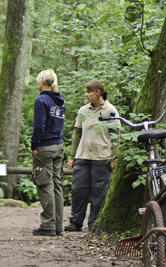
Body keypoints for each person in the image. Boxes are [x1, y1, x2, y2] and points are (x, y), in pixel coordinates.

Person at [65, 80, 120, 232]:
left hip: (102, 157)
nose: (86, 94)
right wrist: (72, 156)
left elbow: (115, 136)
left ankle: (94, 224)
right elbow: (77, 134)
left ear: (97, 92)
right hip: (83, 156)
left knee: (99, 193)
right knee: (78, 190)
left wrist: (114, 158)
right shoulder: (83, 110)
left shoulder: (110, 110)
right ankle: (75, 223)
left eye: (88, 91)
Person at [30, 69, 65, 236]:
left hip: (44, 147)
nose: (37, 84)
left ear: (43, 81)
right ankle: (59, 226)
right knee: (57, 185)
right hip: (58, 147)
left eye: (38, 81)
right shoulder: (60, 101)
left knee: (45, 185)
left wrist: (34, 144)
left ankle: (48, 225)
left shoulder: (41, 100)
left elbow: (39, 126)